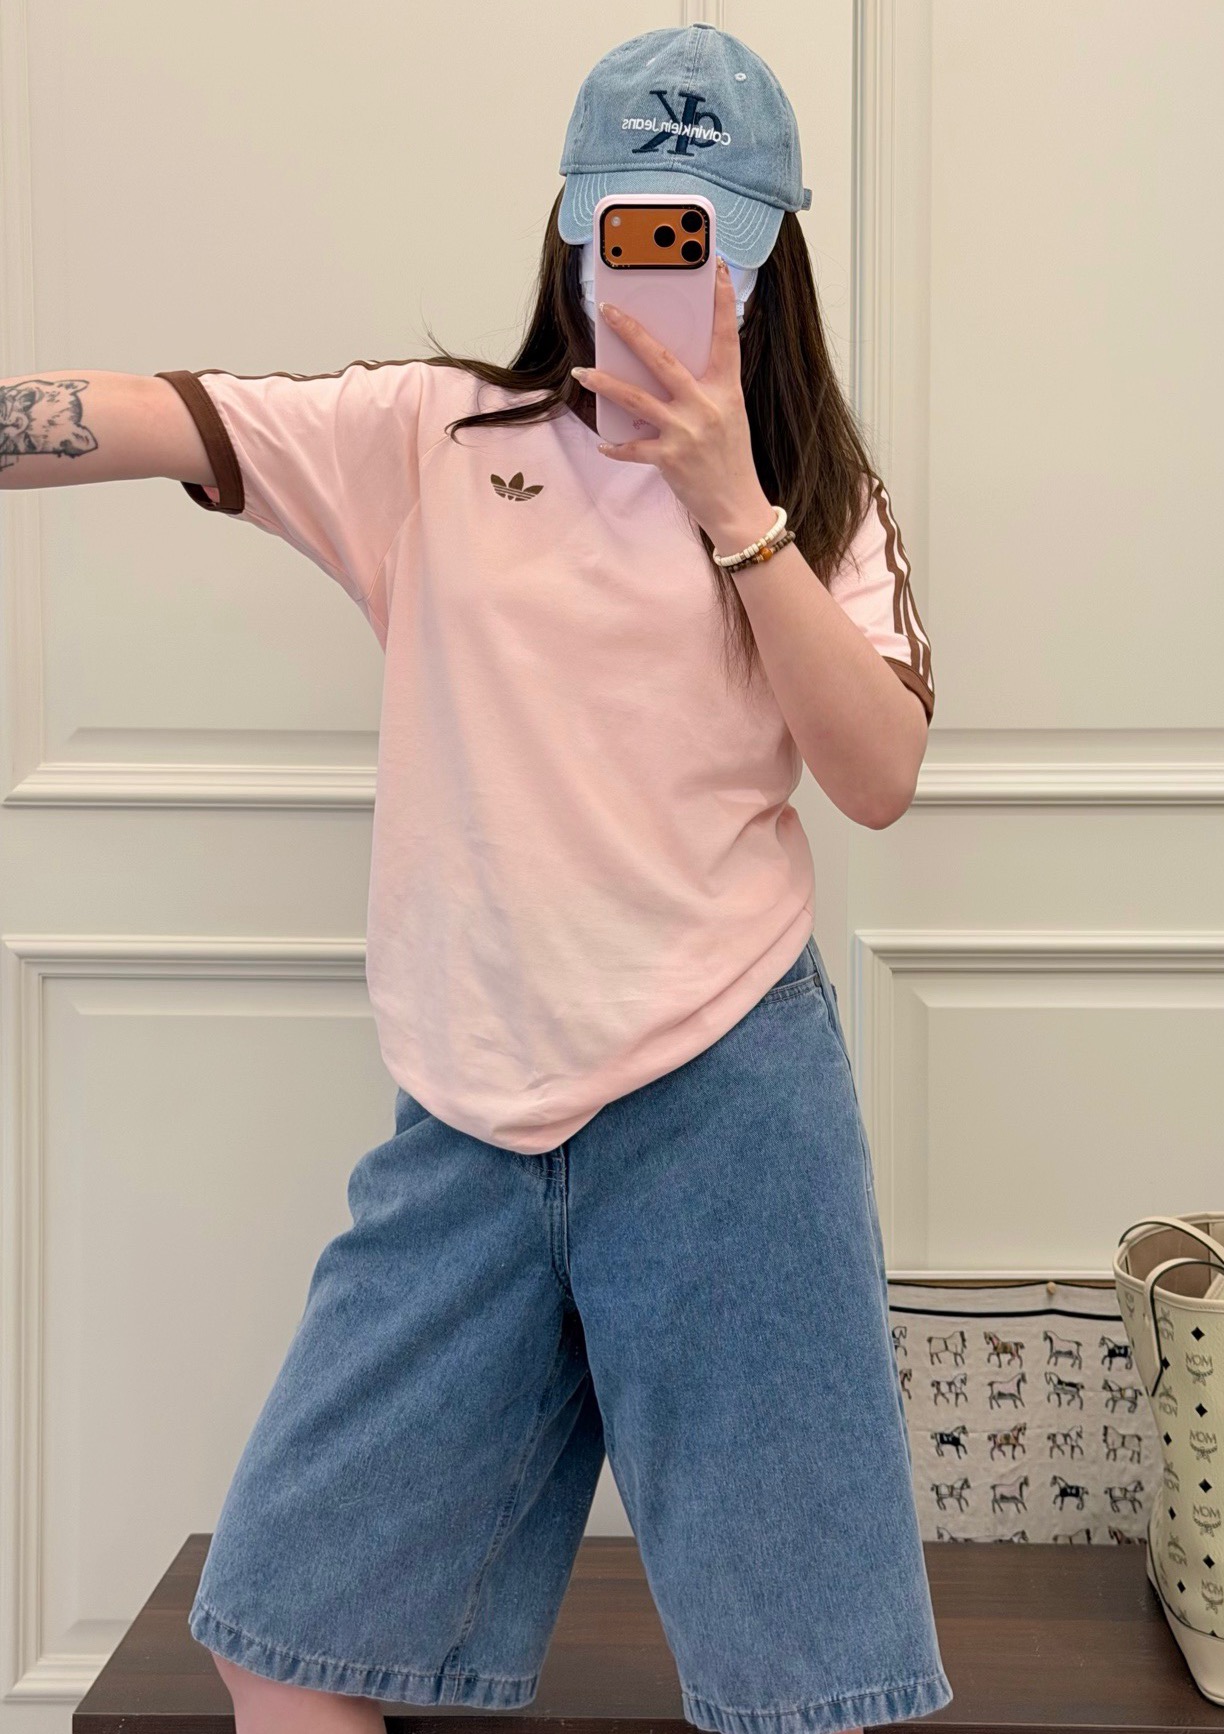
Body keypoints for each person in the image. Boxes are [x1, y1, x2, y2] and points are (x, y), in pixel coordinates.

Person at [0, 22, 951, 1734]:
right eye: (625, 236)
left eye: (697, 245)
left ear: (764, 266)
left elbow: (875, 777)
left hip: (727, 1102)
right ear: (569, 231)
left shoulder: (817, 500)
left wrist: (731, 504)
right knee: (280, 1634)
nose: (652, 279)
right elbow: (148, 415)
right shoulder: (426, 440)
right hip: (468, 1116)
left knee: (807, 1687)